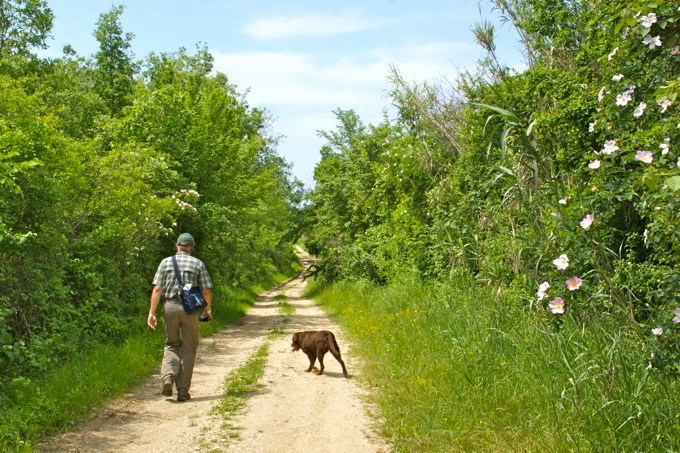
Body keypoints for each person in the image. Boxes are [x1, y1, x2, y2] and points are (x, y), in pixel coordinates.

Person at [147, 233, 213, 402]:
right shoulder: (198, 263)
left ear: (176, 246)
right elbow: (205, 290)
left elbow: (157, 289)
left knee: (171, 344)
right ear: (191, 247)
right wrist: (207, 310)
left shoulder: (165, 262)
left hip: (169, 307)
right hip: (190, 310)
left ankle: (168, 376)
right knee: (189, 349)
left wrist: (152, 313)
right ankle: (182, 391)